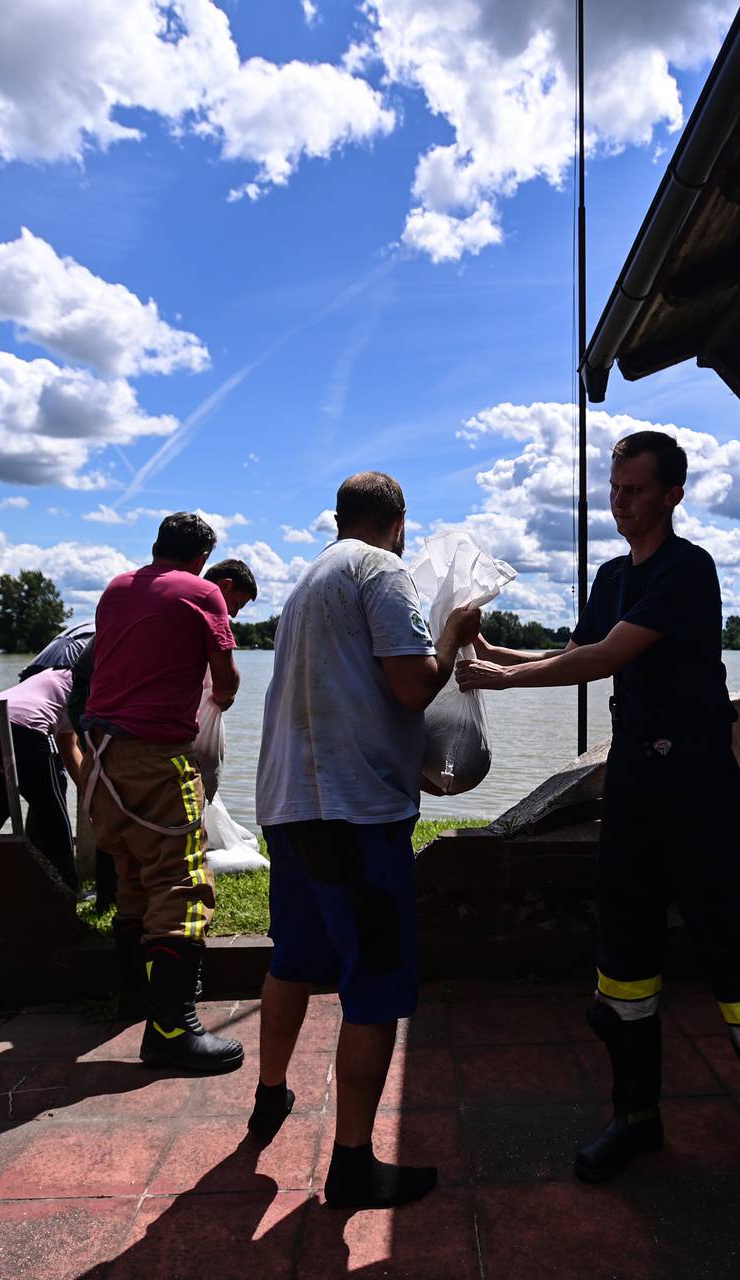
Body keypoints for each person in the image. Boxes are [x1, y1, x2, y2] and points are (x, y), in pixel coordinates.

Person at [457, 431, 740, 1246]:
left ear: (671, 495)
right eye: (614, 488)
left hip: (702, 796)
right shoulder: (612, 576)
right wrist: (491, 652)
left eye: (633, 489)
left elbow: (607, 658)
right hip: (633, 794)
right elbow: (577, 649)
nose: (619, 502)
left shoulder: (689, 572)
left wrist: (504, 680)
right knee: (624, 976)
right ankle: (636, 1117)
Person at [249, 471, 480, 1211]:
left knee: (293, 957)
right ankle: (351, 1163)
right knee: (375, 986)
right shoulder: (380, 570)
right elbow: (414, 686)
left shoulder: (309, 579)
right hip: (354, 816)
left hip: (289, 805)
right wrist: (452, 632)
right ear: (399, 521)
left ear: (339, 517)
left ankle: (269, 1096)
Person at [83, 513, 243, 1073]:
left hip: (103, 756)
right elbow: (225, 681)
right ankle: (173, 1030)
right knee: (182, 884)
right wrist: (220, 693)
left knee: (133, 877)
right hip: (156, 757)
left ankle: (134, 999)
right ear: (202, 557)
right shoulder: (202, 593)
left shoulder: (116, 588)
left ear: (156, 547)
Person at [0, 667, 87, 889]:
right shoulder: (88, 682)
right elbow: (71, 747)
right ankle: (69, 887)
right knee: (52, 811)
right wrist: (93, 794)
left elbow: (67, 745)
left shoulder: (55, 674)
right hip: (24, 728)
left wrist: (88, 791)